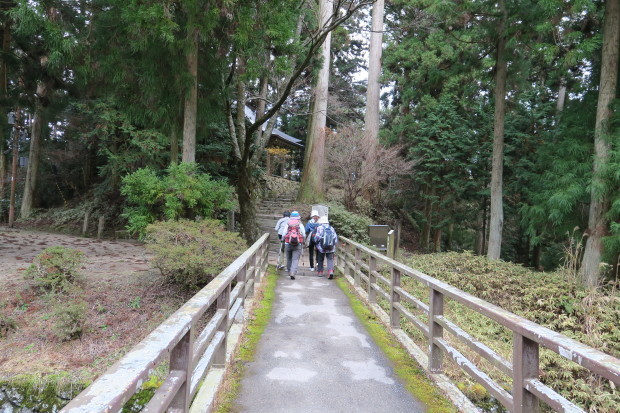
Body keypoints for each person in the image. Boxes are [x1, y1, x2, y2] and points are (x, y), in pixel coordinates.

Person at [282, 211, 306, 280]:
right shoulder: (300, 224)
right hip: (298, 243)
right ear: (298, 217)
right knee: (295, 259)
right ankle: (293, 272)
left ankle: (289, 271)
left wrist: (283, 239)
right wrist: (303, 240)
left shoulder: (288, 224)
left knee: (289, 258)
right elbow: (303, 234)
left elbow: (284, 234)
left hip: (287, 243)